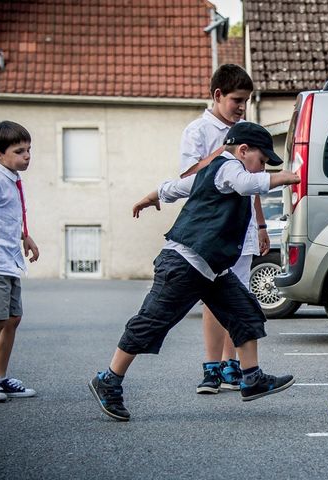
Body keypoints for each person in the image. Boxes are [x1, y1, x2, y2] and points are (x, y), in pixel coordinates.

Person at [89, 122, 300, 421]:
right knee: (151, 322)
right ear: (243, 151)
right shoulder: (228, 168)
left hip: (212, 267)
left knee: (245, 312)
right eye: (262, 161)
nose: (261, 168)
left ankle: (251, 378)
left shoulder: (212, 173)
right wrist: (281, 178)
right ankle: (108, 380)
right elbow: (245, 184)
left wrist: (153, 196)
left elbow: (176, 188)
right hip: (184, 262)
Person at [177, 64, 267, 394]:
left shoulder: (246, 129)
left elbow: (252, 181)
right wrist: (225, 150)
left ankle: (233, 367)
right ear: (218, 96)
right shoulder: (197, 131)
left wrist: (260, 224)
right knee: (213, 299)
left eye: (246, 101)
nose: (242, 107)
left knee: (238, 299)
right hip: (211, 231)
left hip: (241, 230)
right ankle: (211, 368)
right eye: (237, 100)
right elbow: (187, 177)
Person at [0, 120, 39, 403]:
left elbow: (6, 215)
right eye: (20, 151)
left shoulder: (12, 179)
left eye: (29, 149)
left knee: (12, 319)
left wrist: (26, 236)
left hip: (9, 260)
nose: (27, 156)